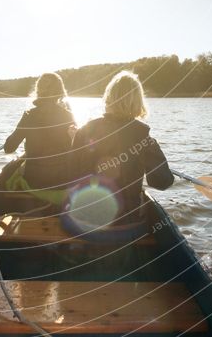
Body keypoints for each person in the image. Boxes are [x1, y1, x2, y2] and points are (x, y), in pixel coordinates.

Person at [68, 71, 174, 231]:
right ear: (138, 102)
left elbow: (69, 175)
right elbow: (162, 182)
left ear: (109, 98)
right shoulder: (143, 137)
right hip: (125, 221)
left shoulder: (86, 130)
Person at [4, 72, 76, 190]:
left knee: (16, 170)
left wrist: (19, 131)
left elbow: (9, 148)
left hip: (34, 180)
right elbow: (76, 148)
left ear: (38, 91)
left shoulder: (29, 116)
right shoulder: (68, 116)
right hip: (62, 180)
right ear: (60, 91)